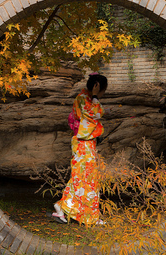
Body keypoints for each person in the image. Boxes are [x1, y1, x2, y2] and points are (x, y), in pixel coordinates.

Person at [47, 73, 107, 225]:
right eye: (102, 89)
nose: (103, 93)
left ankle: (82, 214)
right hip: (83, 143)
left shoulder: (83, 99)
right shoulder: (82, 99)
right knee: (84, 177)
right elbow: (97, 113)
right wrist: (95, 97)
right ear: (97, 87)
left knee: (87, 178)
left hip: (87, 143)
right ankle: (66, 208)